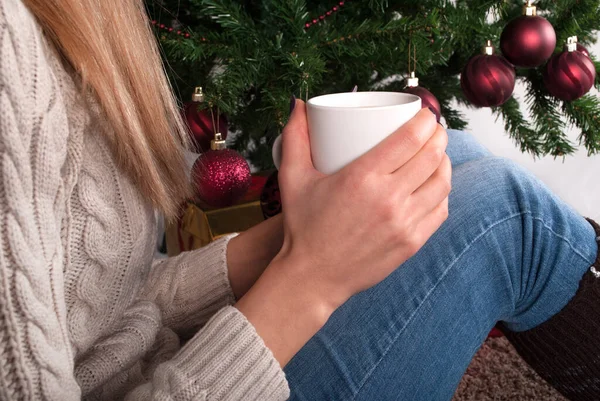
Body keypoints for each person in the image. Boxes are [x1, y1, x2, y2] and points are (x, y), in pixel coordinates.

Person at [1, 0, 598, 400]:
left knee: (454, 159)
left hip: (150, 360)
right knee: (505, 214)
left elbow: (94, 303)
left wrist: (284, 242)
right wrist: (311, 277)